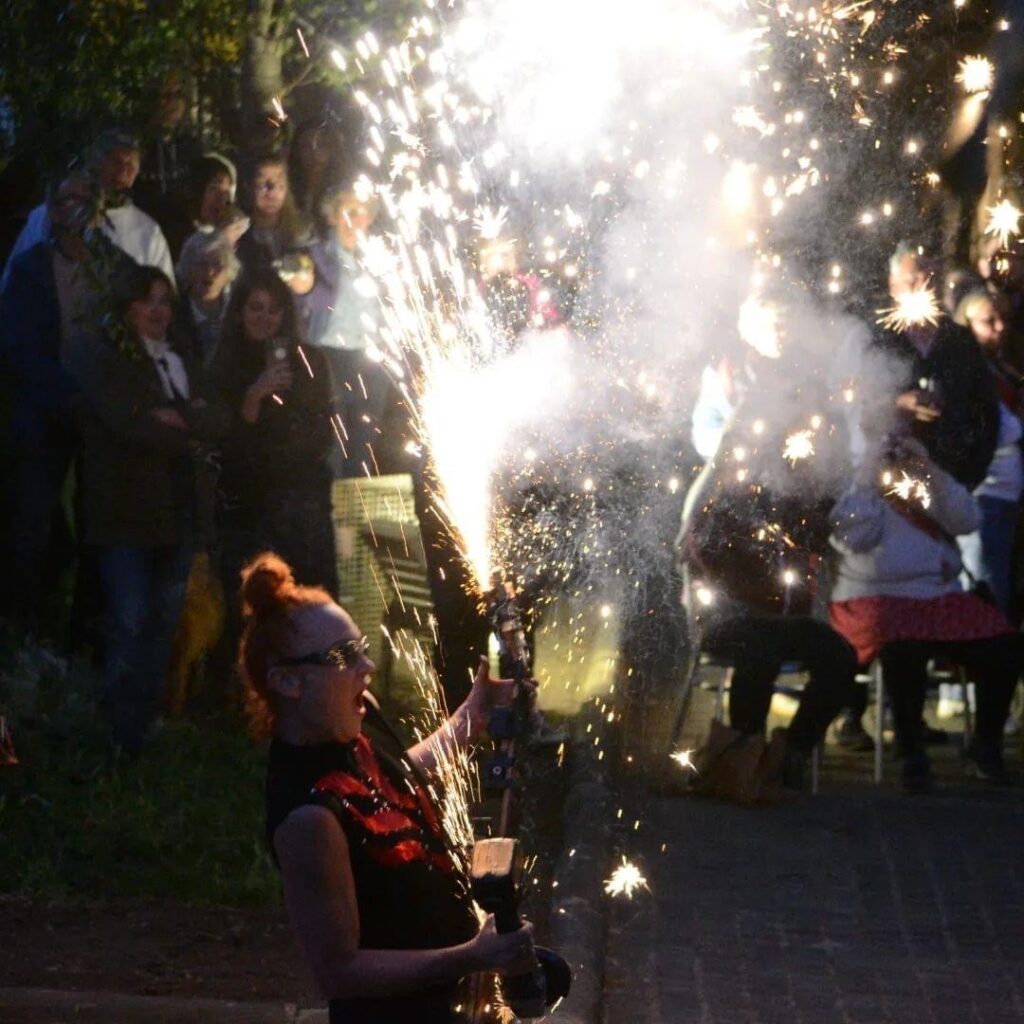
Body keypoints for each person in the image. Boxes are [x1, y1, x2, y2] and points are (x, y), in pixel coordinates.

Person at [243, 551, 536, 1023]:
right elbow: (340, 972)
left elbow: (395, 779)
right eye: (343, 656)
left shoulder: (357, 717)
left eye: (361, 647)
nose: (367, 666)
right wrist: (471, 956)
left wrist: (473, 715)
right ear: (288, 682)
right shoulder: (308, 818)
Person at [75, 265, 226, 752]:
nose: (159, 310)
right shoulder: (110, 359)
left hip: (178, 515)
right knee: (129, 620)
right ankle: (118, 731)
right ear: (128, 307)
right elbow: (125, 426)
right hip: (126, 516)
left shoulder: (181, 357)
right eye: (148, 300)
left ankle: (147, 723)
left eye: (164, 300)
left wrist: (173, 418)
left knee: (162, 625)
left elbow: (215, 417)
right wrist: (184, 423)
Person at [829, 433, 1019, 790]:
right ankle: (910, 753)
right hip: (878, 596)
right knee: (903, 647)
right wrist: (868, 475)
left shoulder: (926, 485)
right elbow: (851, 535)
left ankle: (985, 746)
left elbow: (968, 520)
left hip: (938, 595)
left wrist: (929, 469)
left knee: (1004, 646)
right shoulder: (859, 490)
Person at [0, 169, 131, 634]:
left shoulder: (115, 268)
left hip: (101, 417)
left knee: (99, 525)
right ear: (51, 209)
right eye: (64, 200)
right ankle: (23, 624)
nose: (73, 210)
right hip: (45, 412)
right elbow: (18, 346)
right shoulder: (31, 268)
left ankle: (85, 628)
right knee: (32, 519)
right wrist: (65, 394)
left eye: (83, 200)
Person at [210, 269, 337, 628]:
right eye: (256, 308)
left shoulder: (309, 360)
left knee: (311, 605)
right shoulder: (225, 365)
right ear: (240, 312)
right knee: (256, 615)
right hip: (248, 509)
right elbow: (225, 442)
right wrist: (253, 396)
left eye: (273, 309)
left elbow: (323, 432)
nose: (265, 318)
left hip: (302, 506)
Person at [871, 243, 999, 490]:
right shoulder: (879, 342)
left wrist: (972, 474)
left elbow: (987, 411)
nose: (922, 288)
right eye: (912, 281)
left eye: (928, 279)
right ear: (893, 286)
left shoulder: (959, 339)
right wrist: (897, 403)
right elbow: (856, 402)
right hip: (894, 482)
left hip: (953, 480)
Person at [2, 131, 175, 288]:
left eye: (131, 166)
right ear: (95, 161)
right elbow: (12, 282)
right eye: (116, 161)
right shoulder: (47, 214)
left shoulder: (147, 231)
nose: (123, 171)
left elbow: (163, 294)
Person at [306, 186, 394, 476]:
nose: (354, 219)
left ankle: (358, 499)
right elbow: (306, 300)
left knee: (363, 443)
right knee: (331, 444)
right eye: (348, 212)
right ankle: (329, 499)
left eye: (361, 212)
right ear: (332, 216)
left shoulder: (378, 259)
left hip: (370, 360)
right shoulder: (317, 256)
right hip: (329, 357)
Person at [954, 288, 1024, 615]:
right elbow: (996, 429)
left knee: (1002, 582)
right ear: (966, 324)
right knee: (986, 587)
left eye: (1002, 319)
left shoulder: (1001, 366)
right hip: (984, 494)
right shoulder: (965, 372)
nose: (999, 327)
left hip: (1008, 494)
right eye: (988, 321)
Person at [236, 153, 313, 294]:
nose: (271, 190)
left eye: (279, 182)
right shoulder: (238, 234)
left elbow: (309, 281)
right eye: (262, 182)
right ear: (248, 187)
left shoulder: (303, 231)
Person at [176, 231, 240, 367]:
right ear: (188, 268)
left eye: (217, 264)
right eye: (201, 264)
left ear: (228, 271)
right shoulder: (174, 314)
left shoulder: (239, 312)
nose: (209, 271)